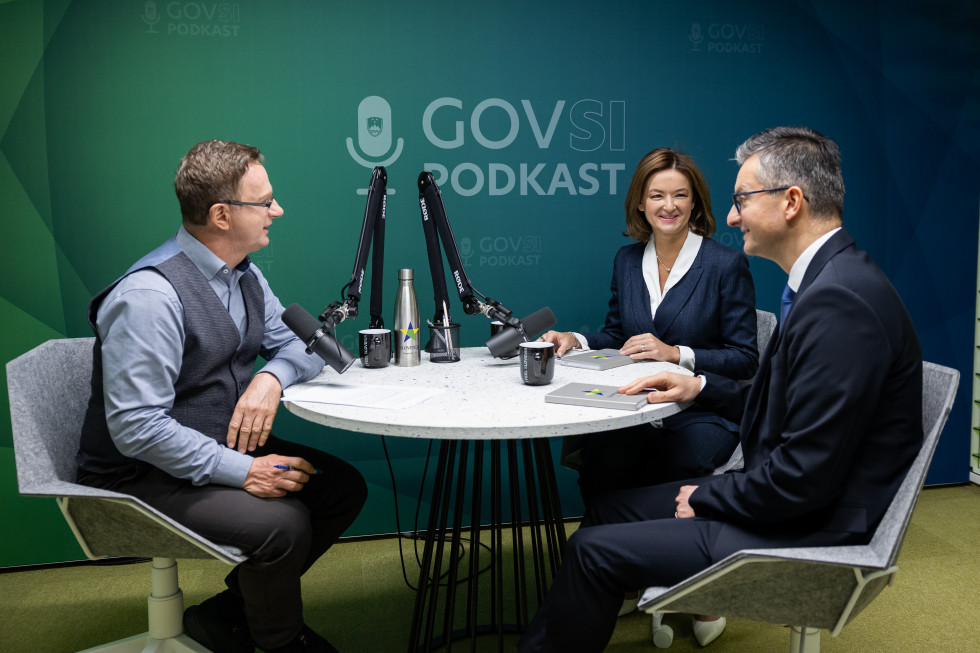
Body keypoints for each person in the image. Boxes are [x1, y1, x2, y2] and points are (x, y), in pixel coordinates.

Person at [517, 126, 923, 653]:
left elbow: (804, 480)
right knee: (607, 509)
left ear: (792, 202)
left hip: (812, 525)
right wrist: (696, 384)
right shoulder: (832, 281)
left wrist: (710, 494)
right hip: (793, 497)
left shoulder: (839, 302)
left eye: (741, 201)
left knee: (592, 549)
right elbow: (779, 407)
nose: (730, 217)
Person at [76, 140, 367, 653]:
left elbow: (307, 348)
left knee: (338, 486)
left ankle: (228, 615)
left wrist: (269, 377)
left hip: (208, 445)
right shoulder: (149, 297)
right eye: (265, 202)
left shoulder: (243, 275)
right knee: (282, 522)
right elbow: (137, 429)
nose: (277, 211)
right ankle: (278, 641)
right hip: (138, 472)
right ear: (221, 215)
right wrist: (246, 472)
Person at [541, 148, 757, 503]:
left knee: (673, 464)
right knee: (602, 460)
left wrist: (675, 354)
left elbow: (745, 359)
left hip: (702, 411)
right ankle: (601, 548)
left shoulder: (725, 265)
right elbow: (617, 336)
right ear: (641, 203)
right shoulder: (627, 261)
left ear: (694, 203)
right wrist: (575, 339)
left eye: (680, 195)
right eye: (657, 195)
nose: (668, 206)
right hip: (637, 407)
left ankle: (637, 548)